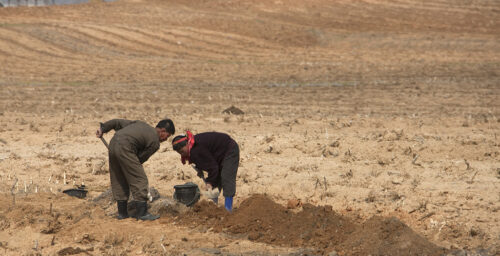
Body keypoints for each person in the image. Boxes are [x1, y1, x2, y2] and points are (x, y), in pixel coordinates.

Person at [96, 118, 175, 220]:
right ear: (162, 131)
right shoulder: (155, 142)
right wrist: (132, 166)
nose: (165, 139)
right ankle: (142, 213)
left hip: (113, 143)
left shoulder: (140, 123)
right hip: (126, 148)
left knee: (119, 178)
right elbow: (140, 158)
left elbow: (117, 122)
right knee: (140, 179)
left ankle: (122, 213)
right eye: (167, 136)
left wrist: (103, 129)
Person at [172, 131, 239, 212]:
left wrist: (209, 182)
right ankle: (214, 207)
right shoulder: (192, 147)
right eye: (179, 153)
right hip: (218, 155)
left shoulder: (195, 149)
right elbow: (204, 158)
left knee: (226, 177)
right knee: (215, 180)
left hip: (229, 149)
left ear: (186, 144)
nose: (182, 155)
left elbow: (213, 167)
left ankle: (228, 209)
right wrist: (200, 168)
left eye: (182, 151)